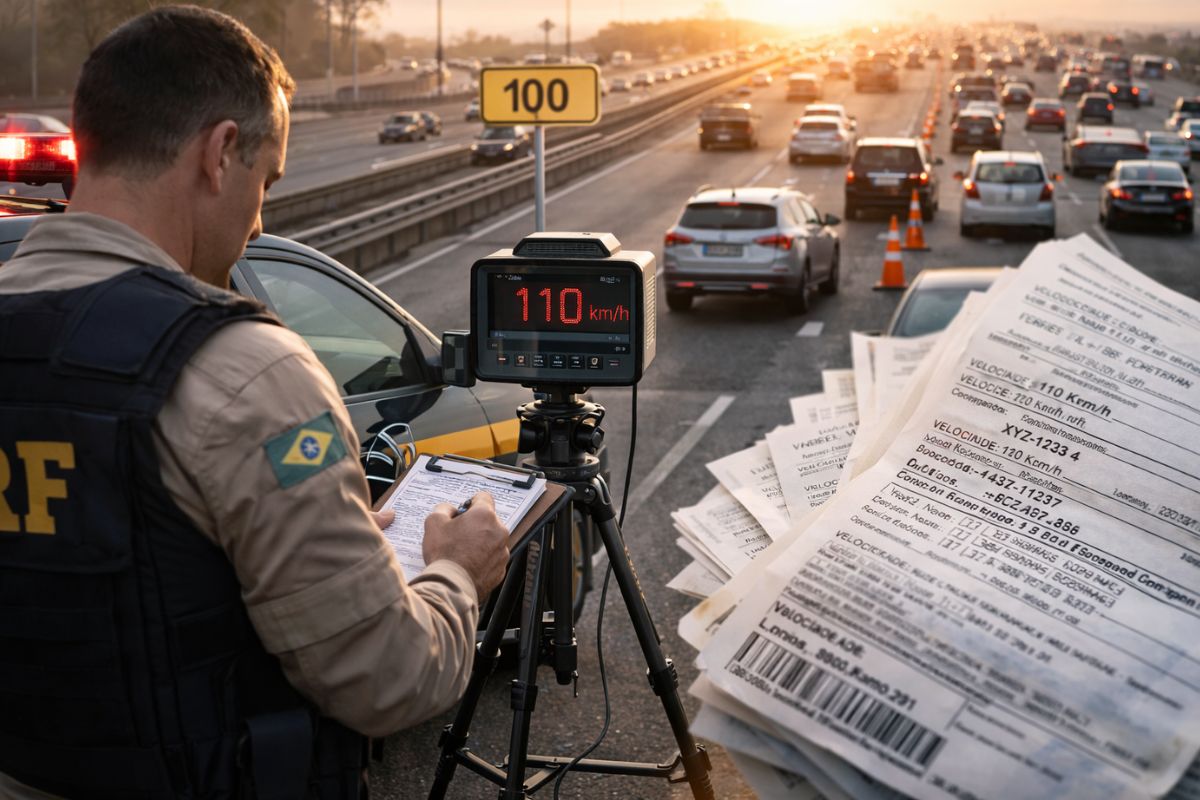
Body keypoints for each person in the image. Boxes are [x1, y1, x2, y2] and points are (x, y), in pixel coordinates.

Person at [0, 6, 509, 798]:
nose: (259, 221)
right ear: (222, 152)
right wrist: (455, 572)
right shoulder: (243, 371)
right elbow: (390, 680)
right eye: (265, 184)